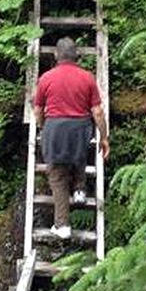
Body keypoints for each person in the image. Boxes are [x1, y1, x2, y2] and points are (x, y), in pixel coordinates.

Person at [33, 37, 110, 239]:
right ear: (76, 56)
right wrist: (104, 137)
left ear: (57, 56)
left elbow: (38, 110)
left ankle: (62, 225)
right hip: (80, 128)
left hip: (55, 127)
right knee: (78, 154)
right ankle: (80, 190)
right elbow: (98, 112)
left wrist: (43, 128)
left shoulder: (46, 78)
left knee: (57, 175)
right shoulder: (87, 77)